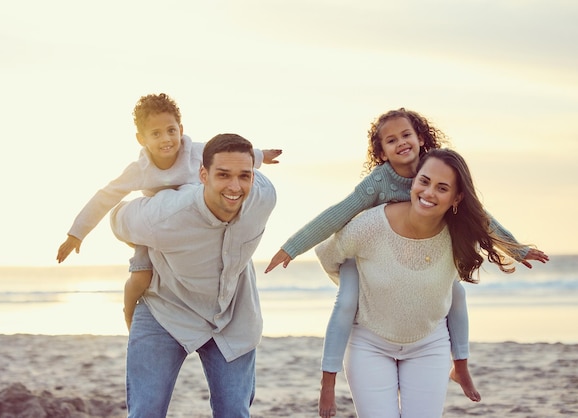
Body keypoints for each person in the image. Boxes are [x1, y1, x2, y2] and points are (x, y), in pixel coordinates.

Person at [264, 108, 548, 416]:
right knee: (346, 301)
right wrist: (292, 247)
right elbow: (338, 214)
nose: (401, 143)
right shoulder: (377, 183)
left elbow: (482, 219)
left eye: (406, 135)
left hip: (420, 279)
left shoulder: (437, 168)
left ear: (421, 138)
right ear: (381, 152)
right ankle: (328, 381)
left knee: (457, 292)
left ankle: (461, 365)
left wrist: (517, 250)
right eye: (391, 140)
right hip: (366, 254)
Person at [315, 148, 533, 417]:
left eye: (442, 188)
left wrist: (518, 250)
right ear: (413, 182)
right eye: (424, 181)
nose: (429, 193)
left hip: (429, 345)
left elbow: (455, 293)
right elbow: (328, 255)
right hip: (369, 343)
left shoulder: (460, 234)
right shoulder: (371, 225)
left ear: (457, 198)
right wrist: (355, 284)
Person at [55, 93, 282, 330]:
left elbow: (232, 156)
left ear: (181, 129)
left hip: (194, 226)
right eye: (156, 134)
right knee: (141, 277)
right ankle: (130, 314)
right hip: (156, 228)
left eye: (171, 130)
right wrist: (77, 233)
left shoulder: (196, 153)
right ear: (141, 139)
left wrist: (261, 156)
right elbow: (106, 196)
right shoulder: (138, 170)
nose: (167, 139)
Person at [110, 133, 276, 417]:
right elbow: (117, 218)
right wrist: (148, 247)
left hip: (233, 315)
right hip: (166, 308)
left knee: (234, 412)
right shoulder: (164, 217)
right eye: (223, 175)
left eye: (244, 176)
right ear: (203, 174)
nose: (235, 187)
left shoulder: (264, 197)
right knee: (145, 412)